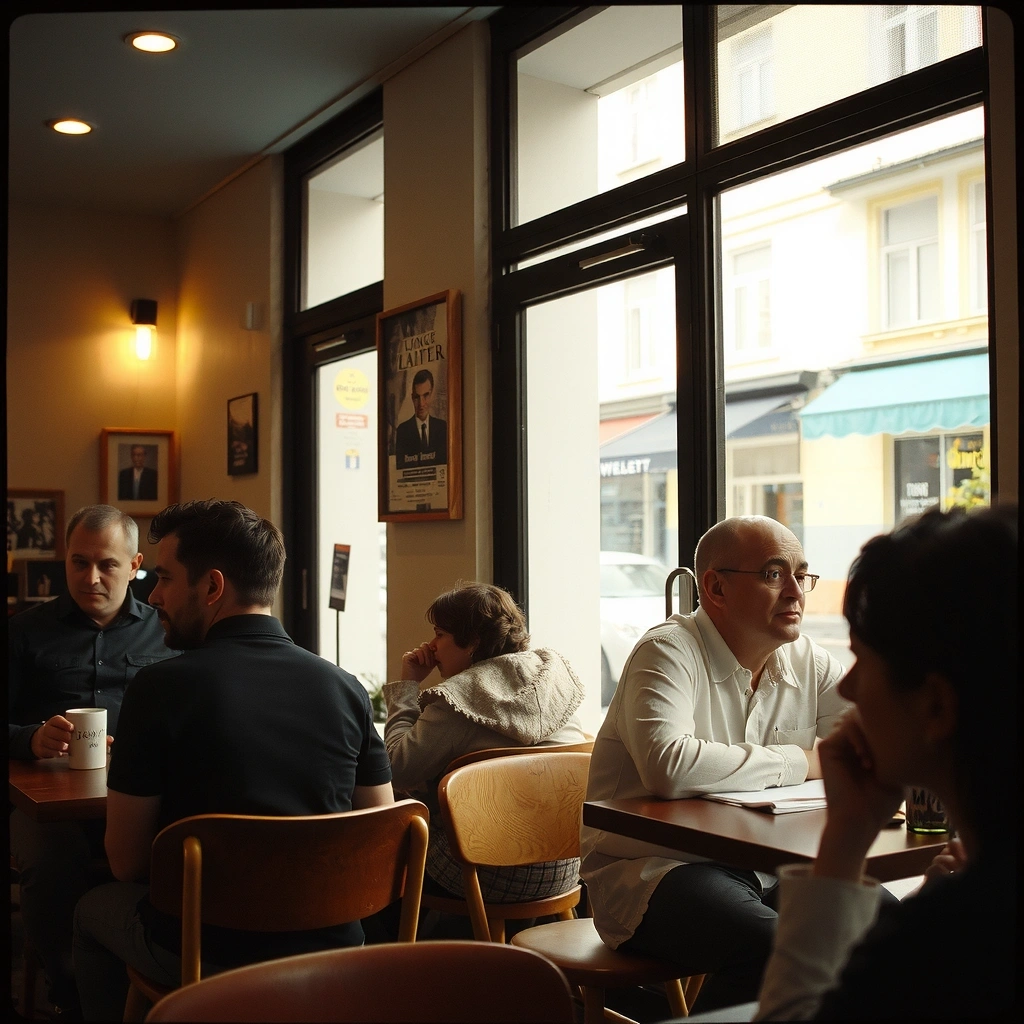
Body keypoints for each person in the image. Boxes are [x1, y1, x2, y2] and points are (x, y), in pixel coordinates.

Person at [71, 499, 394, 1022]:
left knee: (90, 910)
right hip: (334, 949)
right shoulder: (346, 689)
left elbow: (126, 862)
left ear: (213, 587)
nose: (152, 596)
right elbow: (380, 833)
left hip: (207, 952)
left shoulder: (159, 690)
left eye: (166, 578)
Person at [755, 504, 1017, 1020]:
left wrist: (845, 839)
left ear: (936, 706)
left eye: (863, 661)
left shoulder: (945, 941)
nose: (848, 688)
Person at [581, 515, 852, 1012]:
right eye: (774, 574)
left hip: (767, 867)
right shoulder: (666, 650)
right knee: (774, 948)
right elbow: (671, 765)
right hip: (654, 871)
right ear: (716, 589)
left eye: (802, 575)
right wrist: (803, 761)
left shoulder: (807, 658)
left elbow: (859, 752)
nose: (796, 592)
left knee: (880, 923)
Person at [9, 504, 176, 1018]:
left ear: (135, 565)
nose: (91, 577)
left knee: (182, 845)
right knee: (51, 860)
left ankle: (155, 976)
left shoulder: (168, 633)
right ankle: (69, 993)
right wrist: (30, 738)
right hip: (45, 805)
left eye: (106, 564)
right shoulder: (23, 632)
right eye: (79, 562)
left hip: (139, 796)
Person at [383, 582, 587, 910]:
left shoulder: (458, 702)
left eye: (440, 634)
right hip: (564, 868)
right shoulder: (555, 684)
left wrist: (406, 688)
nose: (432, 646)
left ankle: (399, 956)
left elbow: (395, 768)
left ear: (473, 642)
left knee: (378, 848)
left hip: (481, 874)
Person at [394, 368, 448, 468]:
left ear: (432, 395)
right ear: (412, 397)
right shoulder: (403, 431)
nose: (421, 404)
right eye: (417, 397)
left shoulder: (442, 428)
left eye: (426, 395)